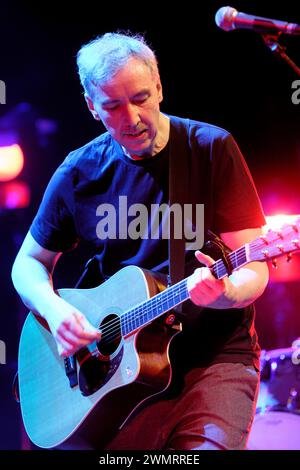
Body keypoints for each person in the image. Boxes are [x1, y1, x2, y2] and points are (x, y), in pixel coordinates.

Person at [11, 31, 269, 450]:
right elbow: (27, 264)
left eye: (142, 98)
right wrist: (55, 311)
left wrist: (224, 292)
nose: (132, 117)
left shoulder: (211, 149)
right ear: (92, 106)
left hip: (215, 359)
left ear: (160, 88)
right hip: (123, 373)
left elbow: (255, 266)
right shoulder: (80, 171)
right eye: (113, 106)